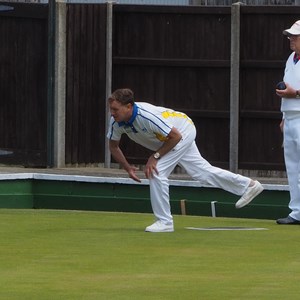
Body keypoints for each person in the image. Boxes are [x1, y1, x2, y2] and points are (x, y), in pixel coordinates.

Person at [107, 88, 264, 232]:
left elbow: (176, 136)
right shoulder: (116, 122)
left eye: (115, 109)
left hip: (181, 131)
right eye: (111, 109)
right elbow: (113, 146)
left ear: (129, 106)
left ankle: (165, 222)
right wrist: (127, 167)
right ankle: (249, 186)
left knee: (156, 171)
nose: (112, 113)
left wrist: (154, 157)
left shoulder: (147, 116)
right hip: (169, 139)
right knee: (202, 173)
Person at [276, 20, 300, 225]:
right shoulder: (291, 58)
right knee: (293, 167)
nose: (291, 39)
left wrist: (296, 94)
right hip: (290, 117)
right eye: (290, 35)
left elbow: (293, 91)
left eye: (295, 36)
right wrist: (283, 117)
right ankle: (296, 212)